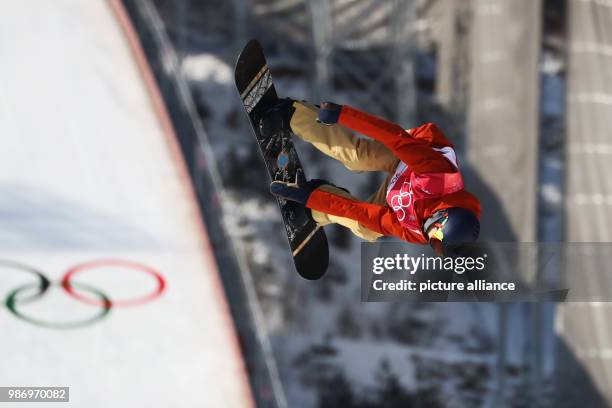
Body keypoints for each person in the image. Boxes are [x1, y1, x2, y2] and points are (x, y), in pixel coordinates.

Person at [262, 99, 481, 256]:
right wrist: (343, 115)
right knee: (358, 157)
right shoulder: (438, 175)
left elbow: (370, 215)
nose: (429, 242)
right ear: (442, 218)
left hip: (403, 189)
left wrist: (311, 198)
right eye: (436, 242)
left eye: (435, 248)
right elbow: (394, 138)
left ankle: (316, 209)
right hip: (410, 155)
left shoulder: (420, 232)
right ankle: (293, 115)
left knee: (366, 229)